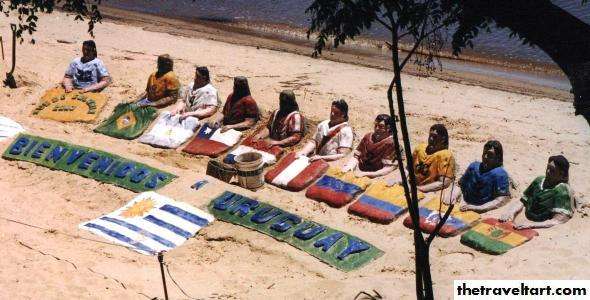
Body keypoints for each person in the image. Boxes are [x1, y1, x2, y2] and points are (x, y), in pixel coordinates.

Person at [499, 155, 574, 229]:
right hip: (526, 217)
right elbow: (523, 201)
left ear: (561, 174)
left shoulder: (562, 190)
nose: (548, 172)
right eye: (548, 168)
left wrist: (532, 225)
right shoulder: (539, 180)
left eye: (552, 170)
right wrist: (510, 212)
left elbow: (558, 220)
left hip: (541, 222)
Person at [446, 140, 510, 212]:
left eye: (490, 155)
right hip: (464, 203)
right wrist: (453, 195)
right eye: (484, 153)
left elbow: (502, 199)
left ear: (497, 158)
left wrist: (479, 208)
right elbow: (460, 185)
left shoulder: (500, 174)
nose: (485, 157)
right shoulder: (474, 166)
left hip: (483, 208)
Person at [343, 114, 398, 178]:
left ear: (388, 128)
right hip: (361, 170)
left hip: (378, 175)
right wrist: (350, 166)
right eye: (375, 125)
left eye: (381, 126)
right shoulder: (368, 137)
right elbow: (357, 156)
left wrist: (367, 174)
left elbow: (388, 168)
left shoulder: (391, 143)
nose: (376, 128)